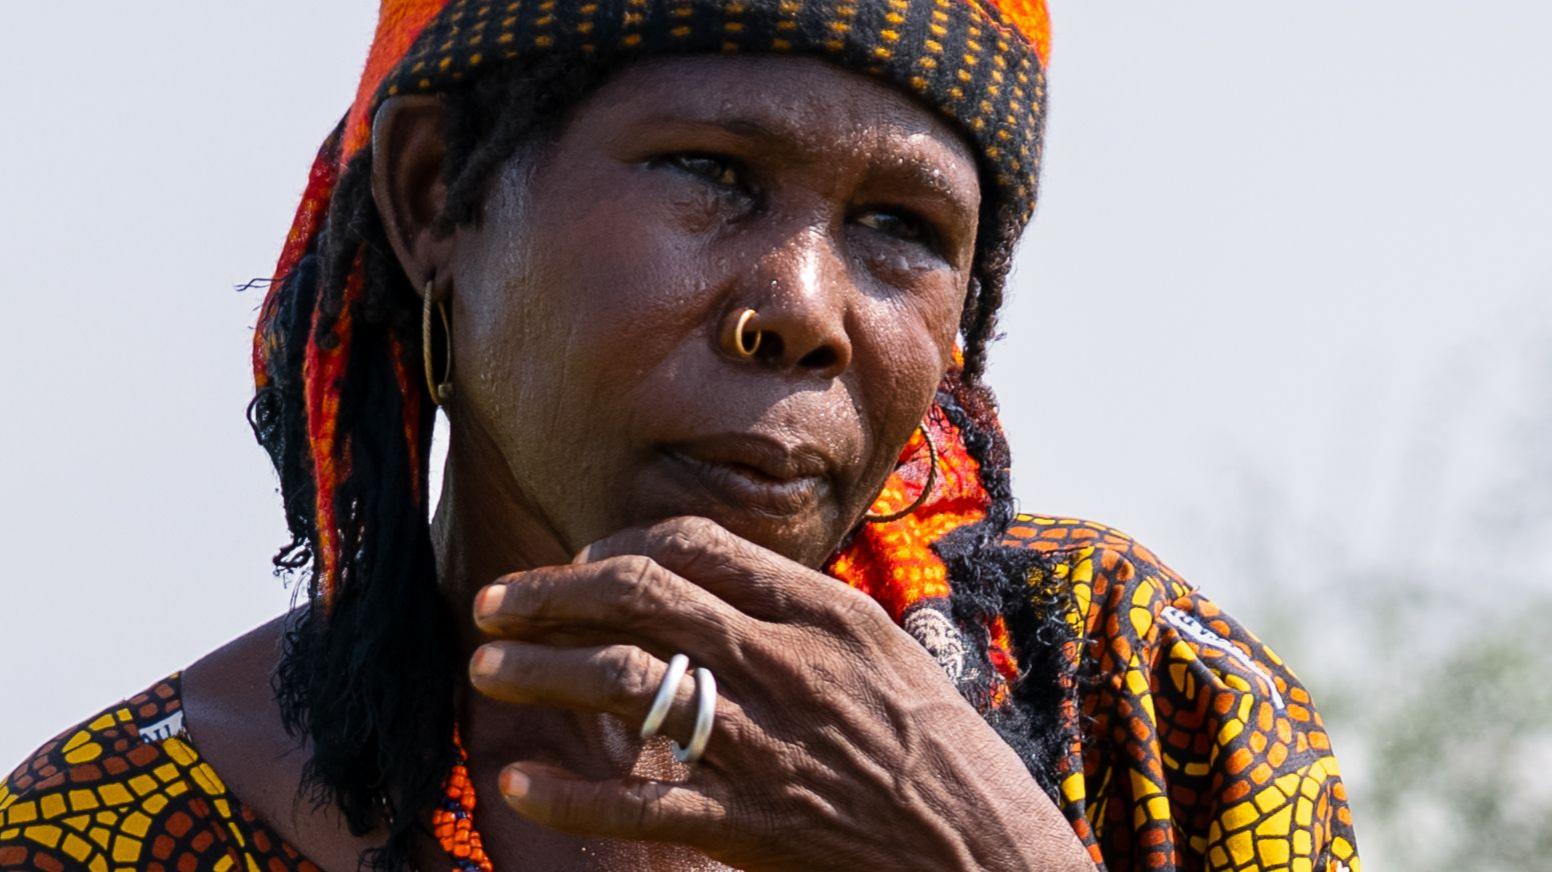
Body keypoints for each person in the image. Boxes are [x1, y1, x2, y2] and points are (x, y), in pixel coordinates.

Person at [0, 1, 1360, 870]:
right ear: (434, 199)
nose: (806, 311)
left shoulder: (1143, 711)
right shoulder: (122, 835)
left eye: (903, 229)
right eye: (715, 175)